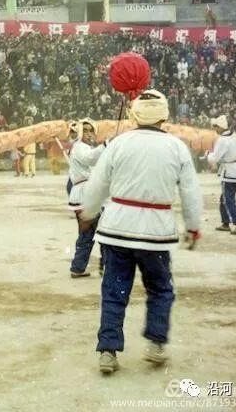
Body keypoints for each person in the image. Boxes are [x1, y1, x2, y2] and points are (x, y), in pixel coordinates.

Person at [81, 90, 202, 373]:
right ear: (164, 115)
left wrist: (88, 213)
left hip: (116, 229)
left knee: (114, 291)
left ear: (134, 115)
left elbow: (98, 184)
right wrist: (193, 228)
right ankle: (156, 344)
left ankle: (108, 351)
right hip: (156, 234)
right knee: (160, 289)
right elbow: (190, 193)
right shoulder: (177, 147)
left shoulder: (119, 144)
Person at [67, 119, 107, 278]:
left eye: (92, 130)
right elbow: (90, 159)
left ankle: (78, 267)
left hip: (85, 194)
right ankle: (106, 267)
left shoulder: (83, 148)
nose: (90, 133)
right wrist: (105, 146)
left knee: (87, 234)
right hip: (87, 194)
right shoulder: (80, 147)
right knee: (103, 231)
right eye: (86, 130)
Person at [207, 115, 236, 234]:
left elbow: (215, 158)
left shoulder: (222, 140)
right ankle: (225, 222)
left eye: (216, 126)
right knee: (225, 198)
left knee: (228, 199)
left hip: (229, 172)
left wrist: (208, 154)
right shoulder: (235, 137)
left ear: (221, 127)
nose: (215, 129)